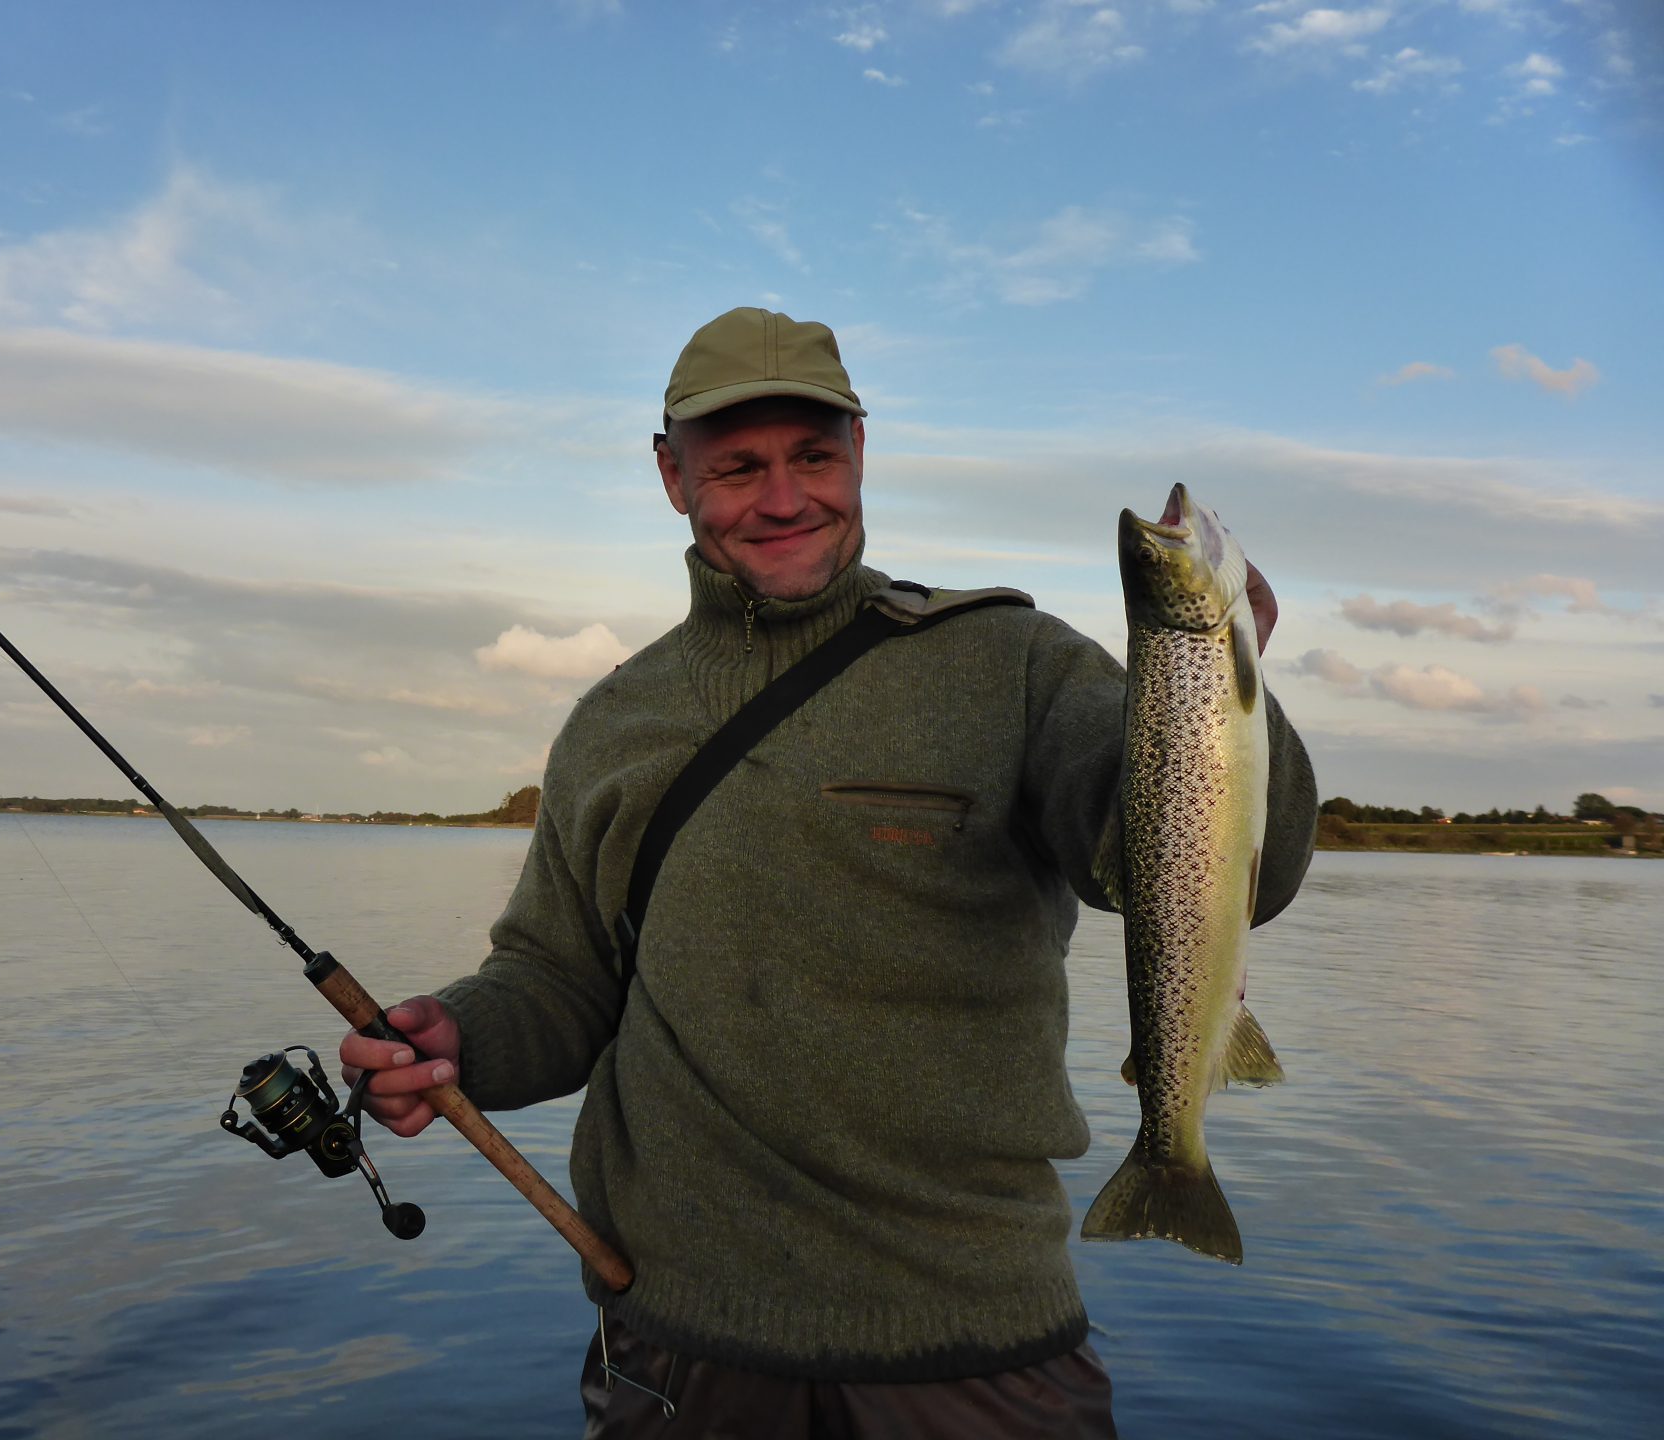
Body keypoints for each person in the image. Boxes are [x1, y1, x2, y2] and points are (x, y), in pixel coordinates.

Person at [341, 307, 1318, 1438]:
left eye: (814, 456)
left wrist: (1220, 681)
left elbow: (1230, 865)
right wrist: (460, 1038)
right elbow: (558, 980)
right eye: (739, 467)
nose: (785, 497)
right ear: (671, 477)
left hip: (977, 1353)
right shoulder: (613, 721)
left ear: (862, 451)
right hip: (678, 1349)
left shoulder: (1017, 662)